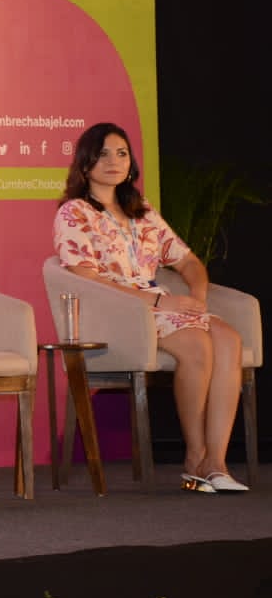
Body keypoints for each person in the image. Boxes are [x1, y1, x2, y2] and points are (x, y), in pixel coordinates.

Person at [53, 122, 248, 493]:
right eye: (103, 154)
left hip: (159, 306)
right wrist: (159, 300)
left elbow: (188, 262)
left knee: (228, 339)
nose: (114, 161)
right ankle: (195, 459)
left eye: (122, 153)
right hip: (115, 311)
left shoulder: (141, 211)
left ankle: (216, 463)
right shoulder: (74, 213)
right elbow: (86, 279)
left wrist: (197, 298)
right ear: (85, 162)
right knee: (197, 344)